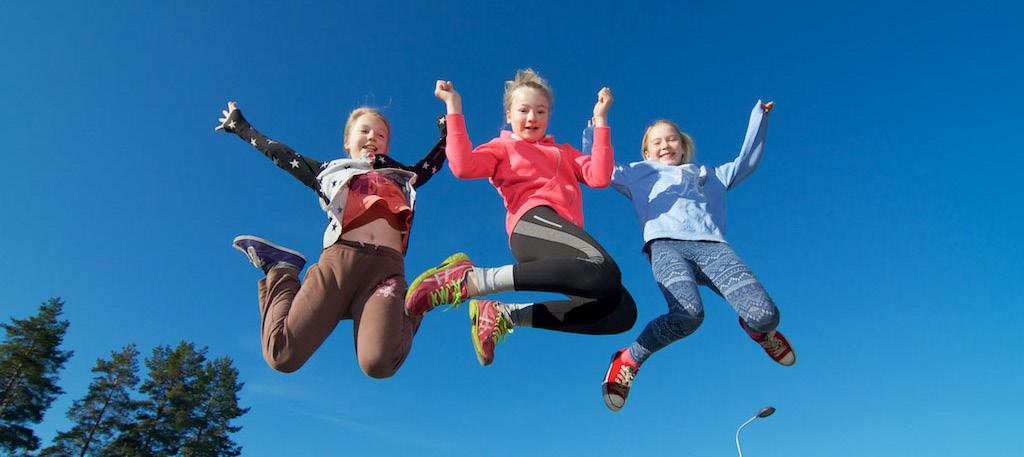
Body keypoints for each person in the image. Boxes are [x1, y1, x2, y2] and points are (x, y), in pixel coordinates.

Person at [405, 69, 637, 367]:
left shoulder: (563, 152)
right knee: (604, 270)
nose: (532, 117)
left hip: (562, 243)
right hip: (531, 223)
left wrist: (601, 121)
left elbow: (600, 176)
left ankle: (504, 315)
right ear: (509, 114)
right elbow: (462, 166)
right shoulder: (504, 147)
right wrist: (453, 107)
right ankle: (471, 280)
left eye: (540, 111)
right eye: (524, 110)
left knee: (621, 311)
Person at [215, 101, 446, 378]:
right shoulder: (328, 172)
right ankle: (282, 270)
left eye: (381, 135)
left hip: (385, 274)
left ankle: (421, 299)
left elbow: (432, 164)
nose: (373, 137)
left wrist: (448, 132)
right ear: (347, 141)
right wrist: (239, 126)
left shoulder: (401, 177)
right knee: (281, 354)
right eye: (365, 131)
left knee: (379, 364)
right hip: (339, 264)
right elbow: (280, 153)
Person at [598, 100, 795, 412]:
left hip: (712, 248)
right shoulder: (637, 173)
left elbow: (747, 162)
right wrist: (598, 121)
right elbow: (598, 168)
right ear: (647, 152)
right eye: (657, 142)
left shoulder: (708, 175)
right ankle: (629, 359)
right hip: (666, 248)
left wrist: (759, 118)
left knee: (767, 314)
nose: (665, 145)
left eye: (672, 139)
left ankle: (758, 330)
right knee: (688, 314)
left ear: (683, 145)